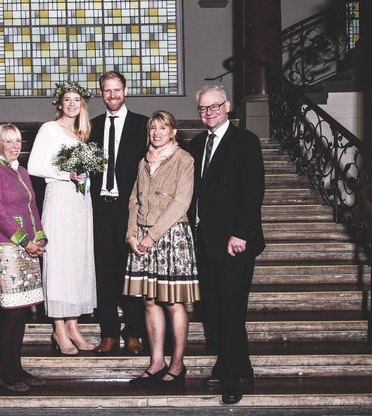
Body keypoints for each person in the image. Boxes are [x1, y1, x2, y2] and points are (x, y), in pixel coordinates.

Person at [188, 85, 265, 405]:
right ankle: (238, 364)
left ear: (228, 106)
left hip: (236, 242)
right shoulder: (194, 144)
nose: (209, 113)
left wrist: (241, 233)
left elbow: (253, 191)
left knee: (231, 311)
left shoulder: (245, 141)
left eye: (214, 107)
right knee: (215, 311)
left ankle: (231, 380)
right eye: (204, 109)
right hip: (204, 241)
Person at [125, 111, 199, 388]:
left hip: (170, 236)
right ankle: (157, 361)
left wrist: (152, 236)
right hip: (142, 236)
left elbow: (181, 203)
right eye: (153, 128)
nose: (157, 132)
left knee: (173, 302)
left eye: (163, 127)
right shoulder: (144, 161)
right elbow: (134, 200)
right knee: (149, 301)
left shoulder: (184, 160)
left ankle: (177, 364)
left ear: (173, 131)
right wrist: (132, 234)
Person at [28, 81, 97, 355]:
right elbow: (34, 166)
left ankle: (73, 325)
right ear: (60, 103)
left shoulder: (82, 133)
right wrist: (65, 174)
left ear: (82, 105)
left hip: (80, 201)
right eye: (67, 99)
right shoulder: (49, 129)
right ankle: (58, 327)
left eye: (76, 100)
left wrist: (83, 179)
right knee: (60, 262)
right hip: (58, 198)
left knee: (78, 262)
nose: (71, 104)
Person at [0, 124, 48, 392]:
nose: (14, 145)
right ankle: (5, 373)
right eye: (8, 141)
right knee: (10, 311)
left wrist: (40, 237)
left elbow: (32, 206)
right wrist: (25, 241)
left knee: (21, 311)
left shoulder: (20, 170)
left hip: (28, 247)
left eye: (17, 140)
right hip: (6, 246)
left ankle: (16, 368)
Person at [89, 71, 148, 355]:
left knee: (132, 273)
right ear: (101, 93)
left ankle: (134, 333)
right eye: (107, 90)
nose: (112, 95)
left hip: (131, 210)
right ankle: (109, 333)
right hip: (100, 210)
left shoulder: (143, 125)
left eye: (117, 90)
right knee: (104, 274)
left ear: (125, 91)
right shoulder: (91, 127)